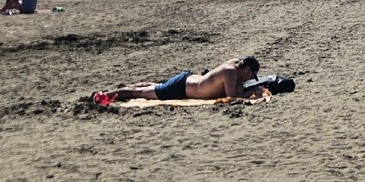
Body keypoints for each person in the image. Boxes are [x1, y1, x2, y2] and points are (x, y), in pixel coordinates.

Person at [94, 57, 263, 104]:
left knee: (155, 87)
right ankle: (104, 96)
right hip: (181, 89)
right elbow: (232, 96)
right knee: (139, 93)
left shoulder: (234, 64)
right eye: (251, 76)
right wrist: (252, 92)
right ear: (247, 69)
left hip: (188, 80)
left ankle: (126, 87)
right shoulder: (230, 72)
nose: (249, 79)